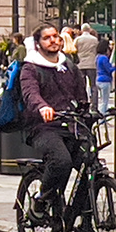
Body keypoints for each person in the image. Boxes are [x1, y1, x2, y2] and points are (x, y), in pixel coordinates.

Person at [18, 22, 89, 220]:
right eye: (47, 38)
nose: (54, 40)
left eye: (56, 36)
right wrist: (42, 107)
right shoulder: (30, 68)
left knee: (90, 164)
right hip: (43, 127)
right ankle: (42, 200)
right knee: (61, 160)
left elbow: (81, 94)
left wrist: (86, 110)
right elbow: (30, 93)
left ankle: (84, 217)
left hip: (70, 125)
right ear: (38, 44)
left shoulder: (69, 66)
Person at [95, 44, 115, 115]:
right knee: (105, 101)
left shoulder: (97, 57)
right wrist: (115, 67)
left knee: (102, 99)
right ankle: (102, 116)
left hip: (98, 79)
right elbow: (109, 69)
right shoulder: (104, 58)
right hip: (105, 80)